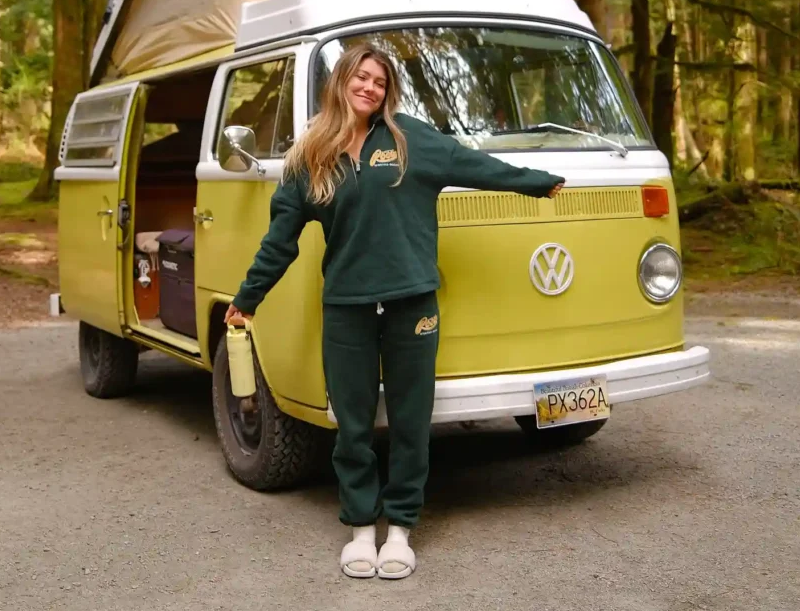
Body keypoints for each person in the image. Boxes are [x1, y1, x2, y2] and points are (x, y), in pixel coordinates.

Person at [225, 46, 564, 580]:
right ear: (340, 82)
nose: (369, 88)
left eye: (379, 82)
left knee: (409, 423)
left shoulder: (412, 140)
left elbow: (477, 166)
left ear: (388, 92)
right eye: (361, 77)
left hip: (412, 304)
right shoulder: (309, 156)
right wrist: (246, 300)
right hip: (347, 309)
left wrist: (539, 182)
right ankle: (362, 531)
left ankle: (400, 531)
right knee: (354, 427)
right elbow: (279, 243)